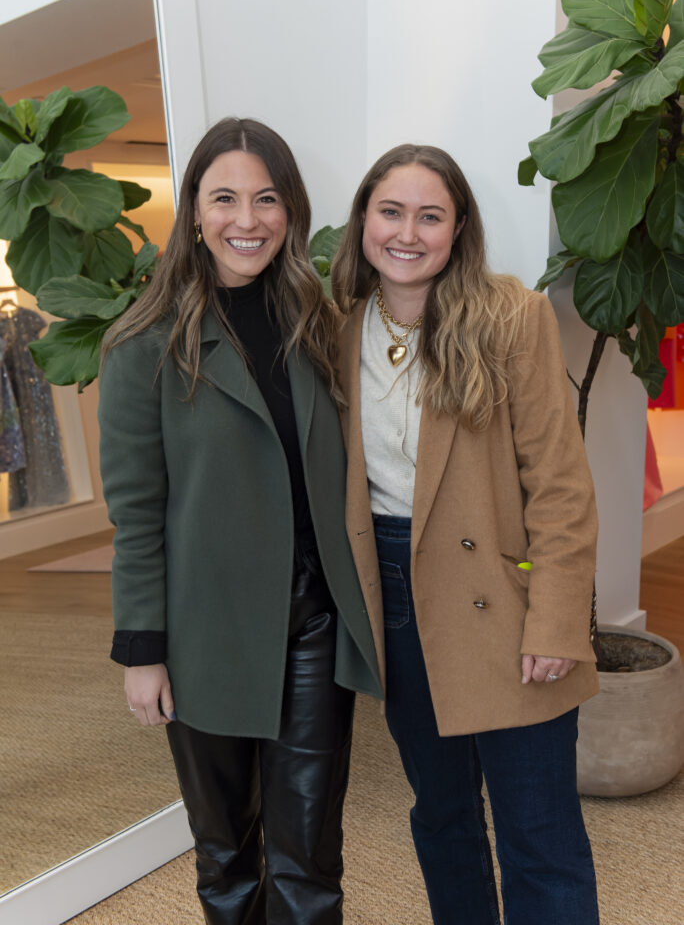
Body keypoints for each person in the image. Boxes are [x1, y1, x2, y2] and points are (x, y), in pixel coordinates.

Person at [98, 117, 382, 925]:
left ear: (290, 211)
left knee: (308, 857)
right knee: (225, 855)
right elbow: (137, 515)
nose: (246, 220)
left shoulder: (320, 325)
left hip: (313, 619)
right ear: (194, 211)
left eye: (266, 199)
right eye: (224, 198)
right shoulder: (142, 347)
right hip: (204, 631)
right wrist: (143, 651)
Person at [331, 143, 601, 925]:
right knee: (442, 815)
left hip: (503, 601)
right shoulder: (335, 327)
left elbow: (559, 485)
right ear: (363, 220)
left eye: (430, 216)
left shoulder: (511, 316)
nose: (407, 233)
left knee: (539, 833)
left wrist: (556, 620)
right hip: (393, 593)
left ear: (458, 230)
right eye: (390, 211)